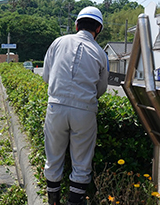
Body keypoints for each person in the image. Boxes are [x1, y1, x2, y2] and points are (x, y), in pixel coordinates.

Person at [42, 6, 109, 205]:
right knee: (81, 162)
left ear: (77, 24)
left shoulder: (58, 42)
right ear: (98, 29)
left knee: (53, 158)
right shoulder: (100, 53)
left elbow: (46, 76)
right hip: (85, 111)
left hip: (56, 107)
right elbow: (101, 89)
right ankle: (75, 202)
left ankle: (53, 201)